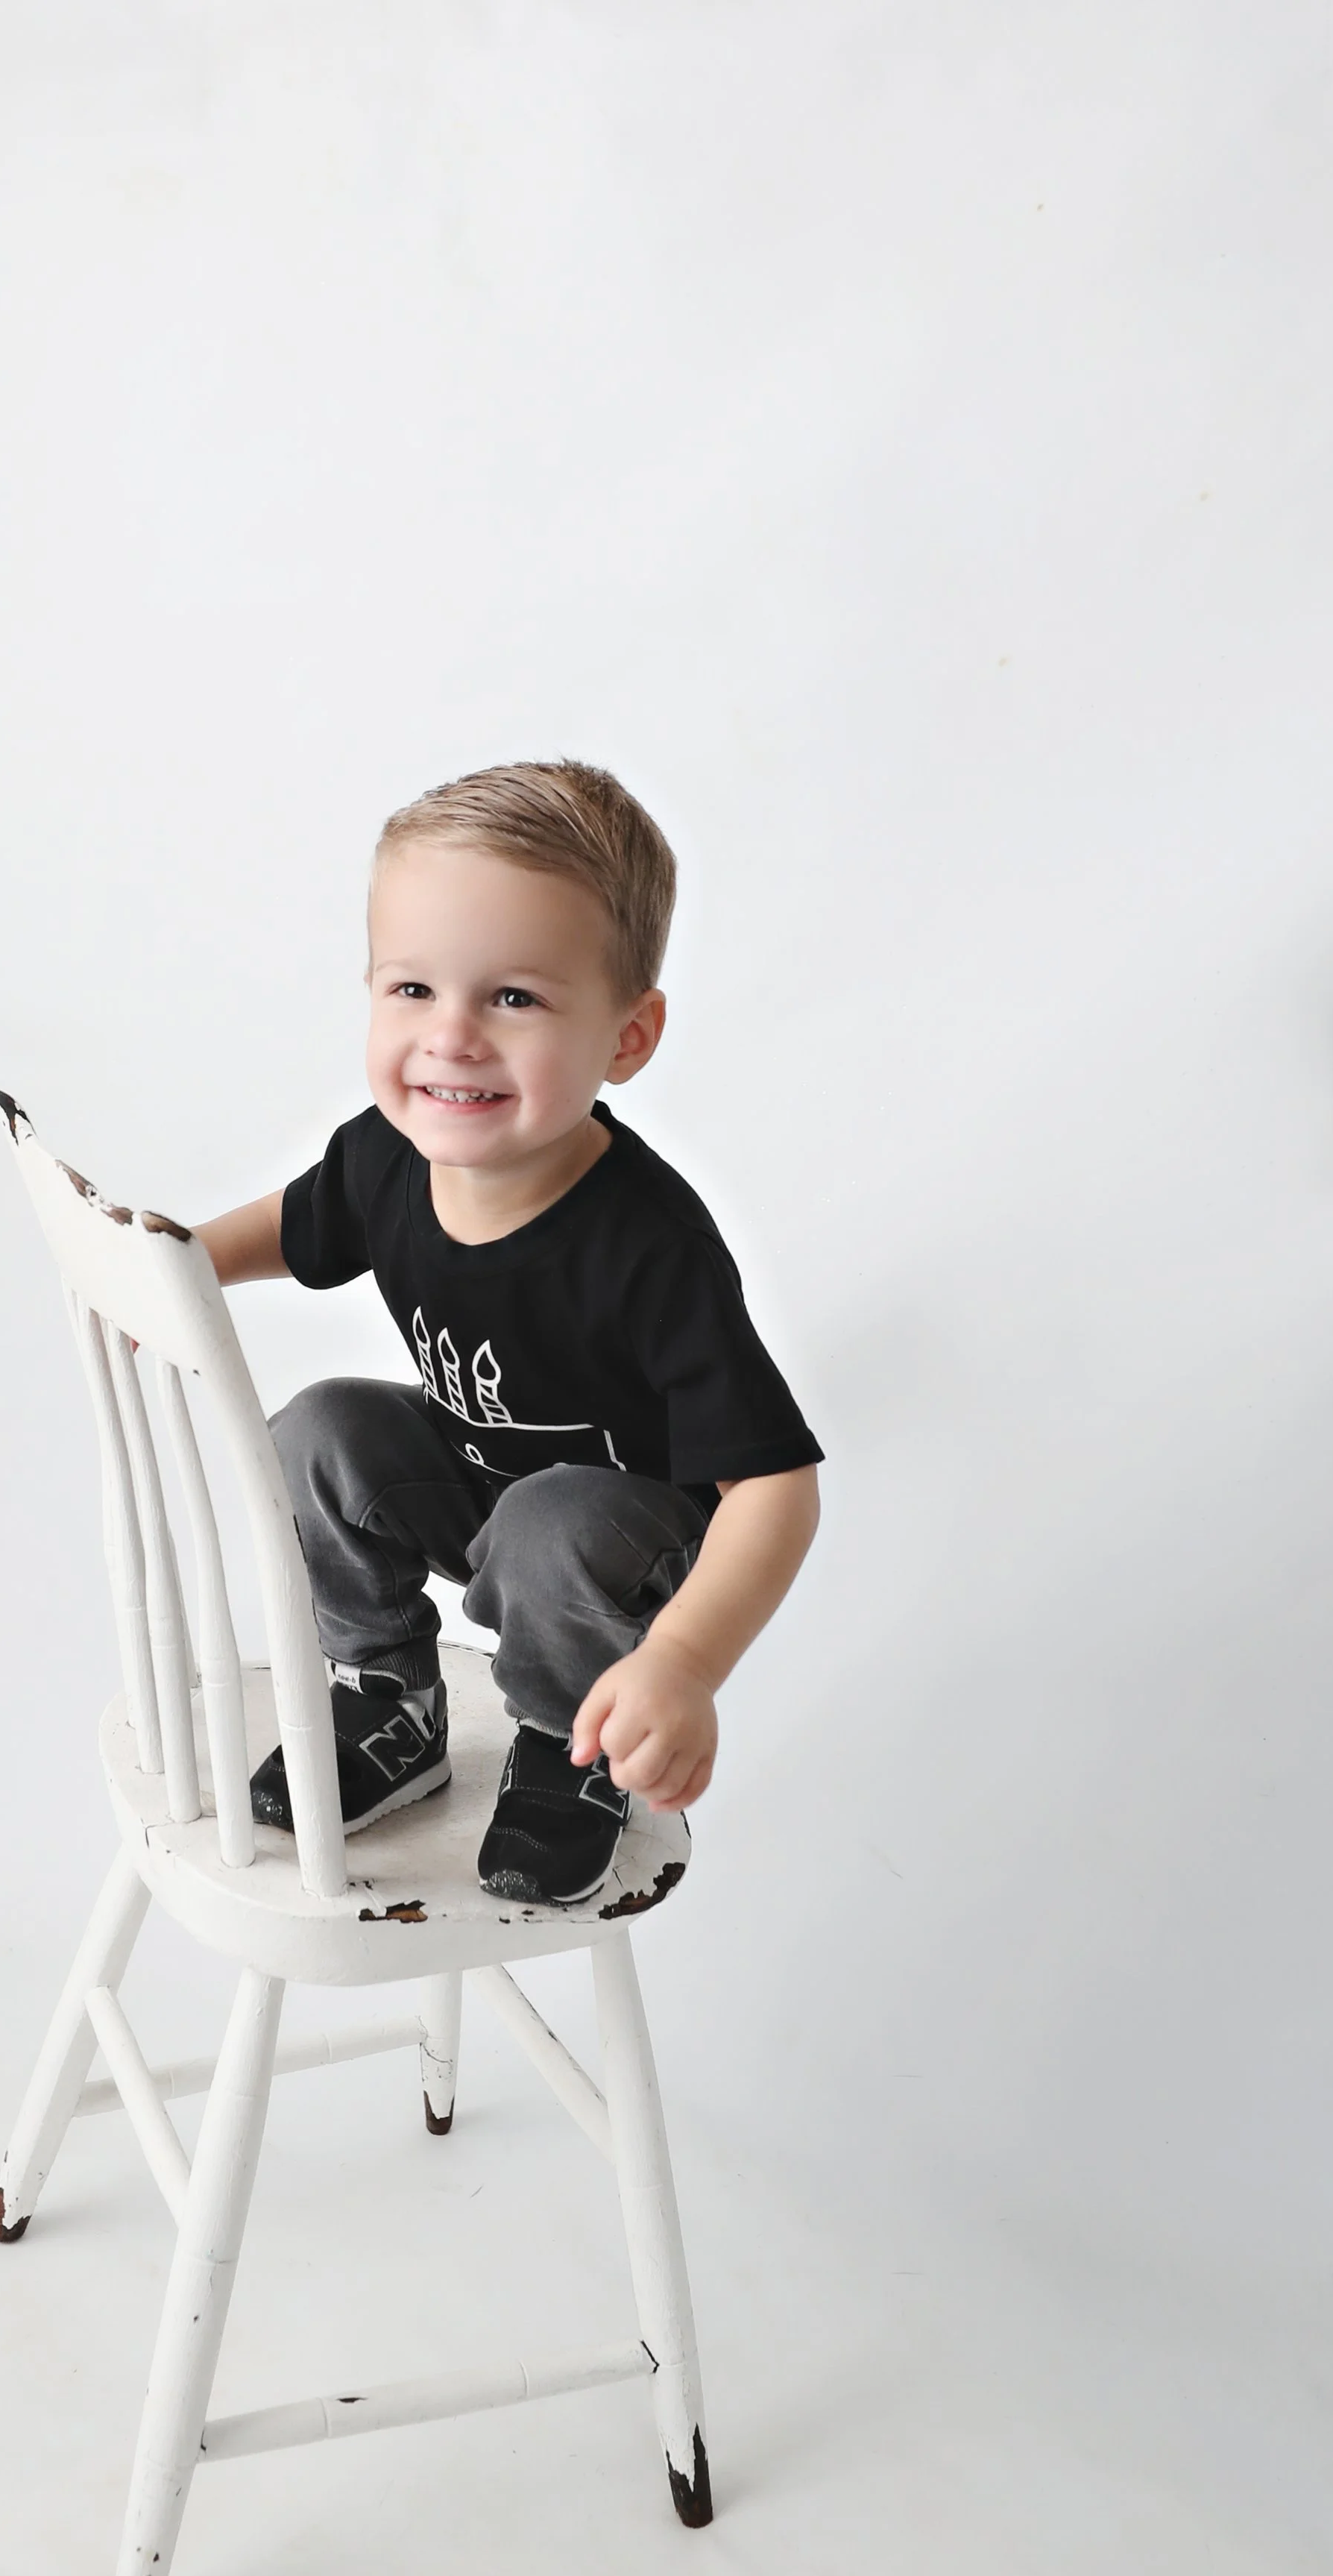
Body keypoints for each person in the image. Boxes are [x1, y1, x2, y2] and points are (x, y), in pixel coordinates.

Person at [194, 760, 822, 1906]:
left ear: (628, 1037)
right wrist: (184, 1261)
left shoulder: (649, 1243)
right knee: (319, 1428)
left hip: (620, 1546)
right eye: (412, 989)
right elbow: (299, 1222)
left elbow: (777, 1487)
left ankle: (563, 1749)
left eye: (514, 998)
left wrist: (683, 1660)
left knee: (553, 1517)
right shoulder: (391, 1153)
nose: (453, 1039)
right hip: (477, 1486)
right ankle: (391, 1702)